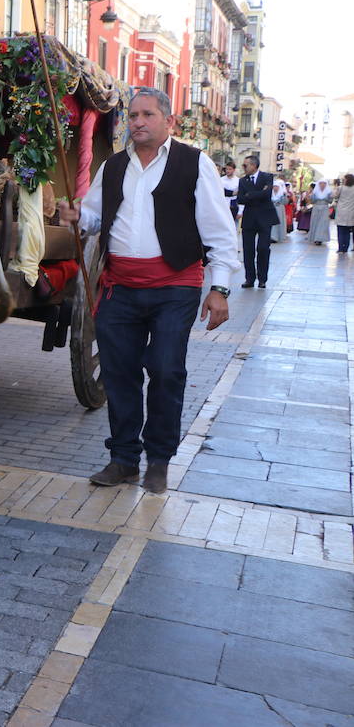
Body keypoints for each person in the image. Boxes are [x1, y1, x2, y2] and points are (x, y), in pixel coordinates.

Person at [57, 89, 237, 495]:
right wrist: (76, 214)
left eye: (148, 114)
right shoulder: (115, 165)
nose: (138, 121)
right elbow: (94, 215)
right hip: (121, 287)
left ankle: (158, 460)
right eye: (134, 115)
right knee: (119, 375)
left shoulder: (195, 163)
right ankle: (123, 459)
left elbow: (218, 229)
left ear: (168, 121)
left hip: (176, 285)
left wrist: (220, 287)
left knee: (166, 370)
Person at [236, 155, 279, 288]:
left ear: (254, 165)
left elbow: (267, 194)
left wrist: (250, 194)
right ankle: (249, 278)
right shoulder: (243, 181)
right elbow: (240, 199)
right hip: (249, 218)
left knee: (263, 248)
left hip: (265, 218)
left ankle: (262, 279)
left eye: (246, 165)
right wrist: (257, 193)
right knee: (248, 250)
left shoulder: (267, 177)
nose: (244, 167)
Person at [307, 179, 333, 245]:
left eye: (324, 183)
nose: (322, 185)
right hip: (316, 208)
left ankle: (320, 238)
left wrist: (327, 198)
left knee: (323, 223)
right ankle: (315, 237)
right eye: (321, 183)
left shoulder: (329, 192)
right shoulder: (315, 192)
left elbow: (330, 201)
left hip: (324, 208)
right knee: (315, 222)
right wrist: (311, 197)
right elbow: (312, 201)